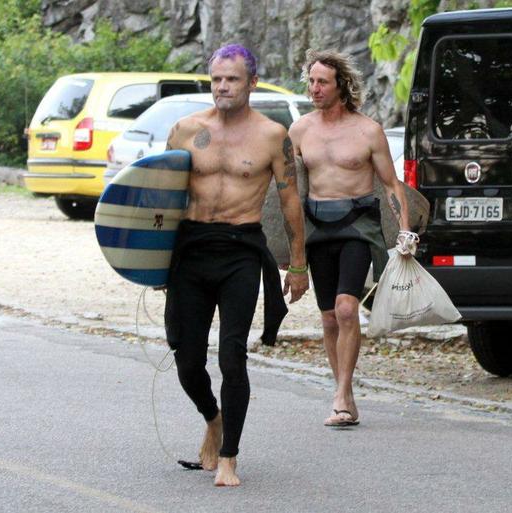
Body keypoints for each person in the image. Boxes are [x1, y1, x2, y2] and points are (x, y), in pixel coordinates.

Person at [163, 44, 309, 486]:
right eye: (217, 79)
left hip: (241, 252)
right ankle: (213, 418)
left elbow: (289, 201)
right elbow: (159, 198)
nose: (223, 87)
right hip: (190, 251)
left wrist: (298, 263)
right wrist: (152, 263)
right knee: (186, 360)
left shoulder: (271, 135)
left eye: (232, 79)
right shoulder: (185, 130)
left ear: (252, 82)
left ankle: (229, 457)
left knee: (232, 356)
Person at [288, 49, 411, 427]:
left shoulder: (367, 130)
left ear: (341, 85)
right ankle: (345, 389)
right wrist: (288, 251)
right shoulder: (300, 130)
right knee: (328, 318)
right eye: (311, 81)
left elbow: (391, 185)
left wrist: (405, 230)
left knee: (345, 309)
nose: (314, 89)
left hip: (358, 224)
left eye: (322, 82)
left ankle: (340, 396)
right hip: (318, 227)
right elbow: (288, 194)